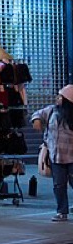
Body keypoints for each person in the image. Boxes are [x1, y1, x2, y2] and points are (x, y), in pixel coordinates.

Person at [31, 85, 73, 222]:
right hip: (56, 156)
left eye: (61, 96)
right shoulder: (51, 110)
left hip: (71, 156)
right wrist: (36, 120)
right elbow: (37, 114)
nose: (57, 98)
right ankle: (62, 211)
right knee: (58, 185)